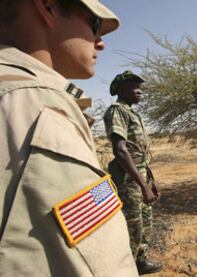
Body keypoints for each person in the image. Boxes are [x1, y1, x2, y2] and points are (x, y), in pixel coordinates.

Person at [0, 0, 139, 276]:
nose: (101, 44)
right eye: (95, 24)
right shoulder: (36, 102)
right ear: (47, 8)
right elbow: (96, 264)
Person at [104, 70, 163, 275]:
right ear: (121, 89)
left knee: (146, 222)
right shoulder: (116, 111)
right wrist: (143, 186)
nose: (139, 91)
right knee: (133, 226)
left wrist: (151, 180)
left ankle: (140, 262)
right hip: (129, 180)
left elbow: (140, 152)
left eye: (140, 87)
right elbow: (120, 151)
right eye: (134, 87)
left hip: (141, 176)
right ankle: (125, 269)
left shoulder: (131, 112)